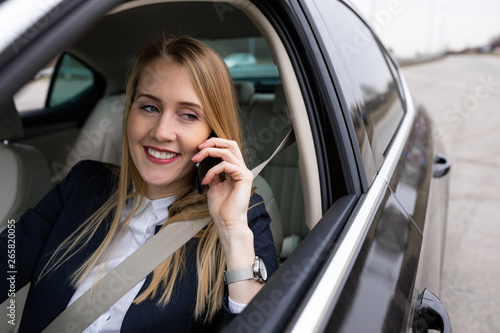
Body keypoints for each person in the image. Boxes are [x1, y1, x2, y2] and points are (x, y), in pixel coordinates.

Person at [0, 36, 278, 332]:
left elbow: (262, 325)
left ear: (213, 133)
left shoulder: (244, 216)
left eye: (188, 115)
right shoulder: (84, 183)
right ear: (129, 111)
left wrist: (232, 230)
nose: (161, 132)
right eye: (149, 107)